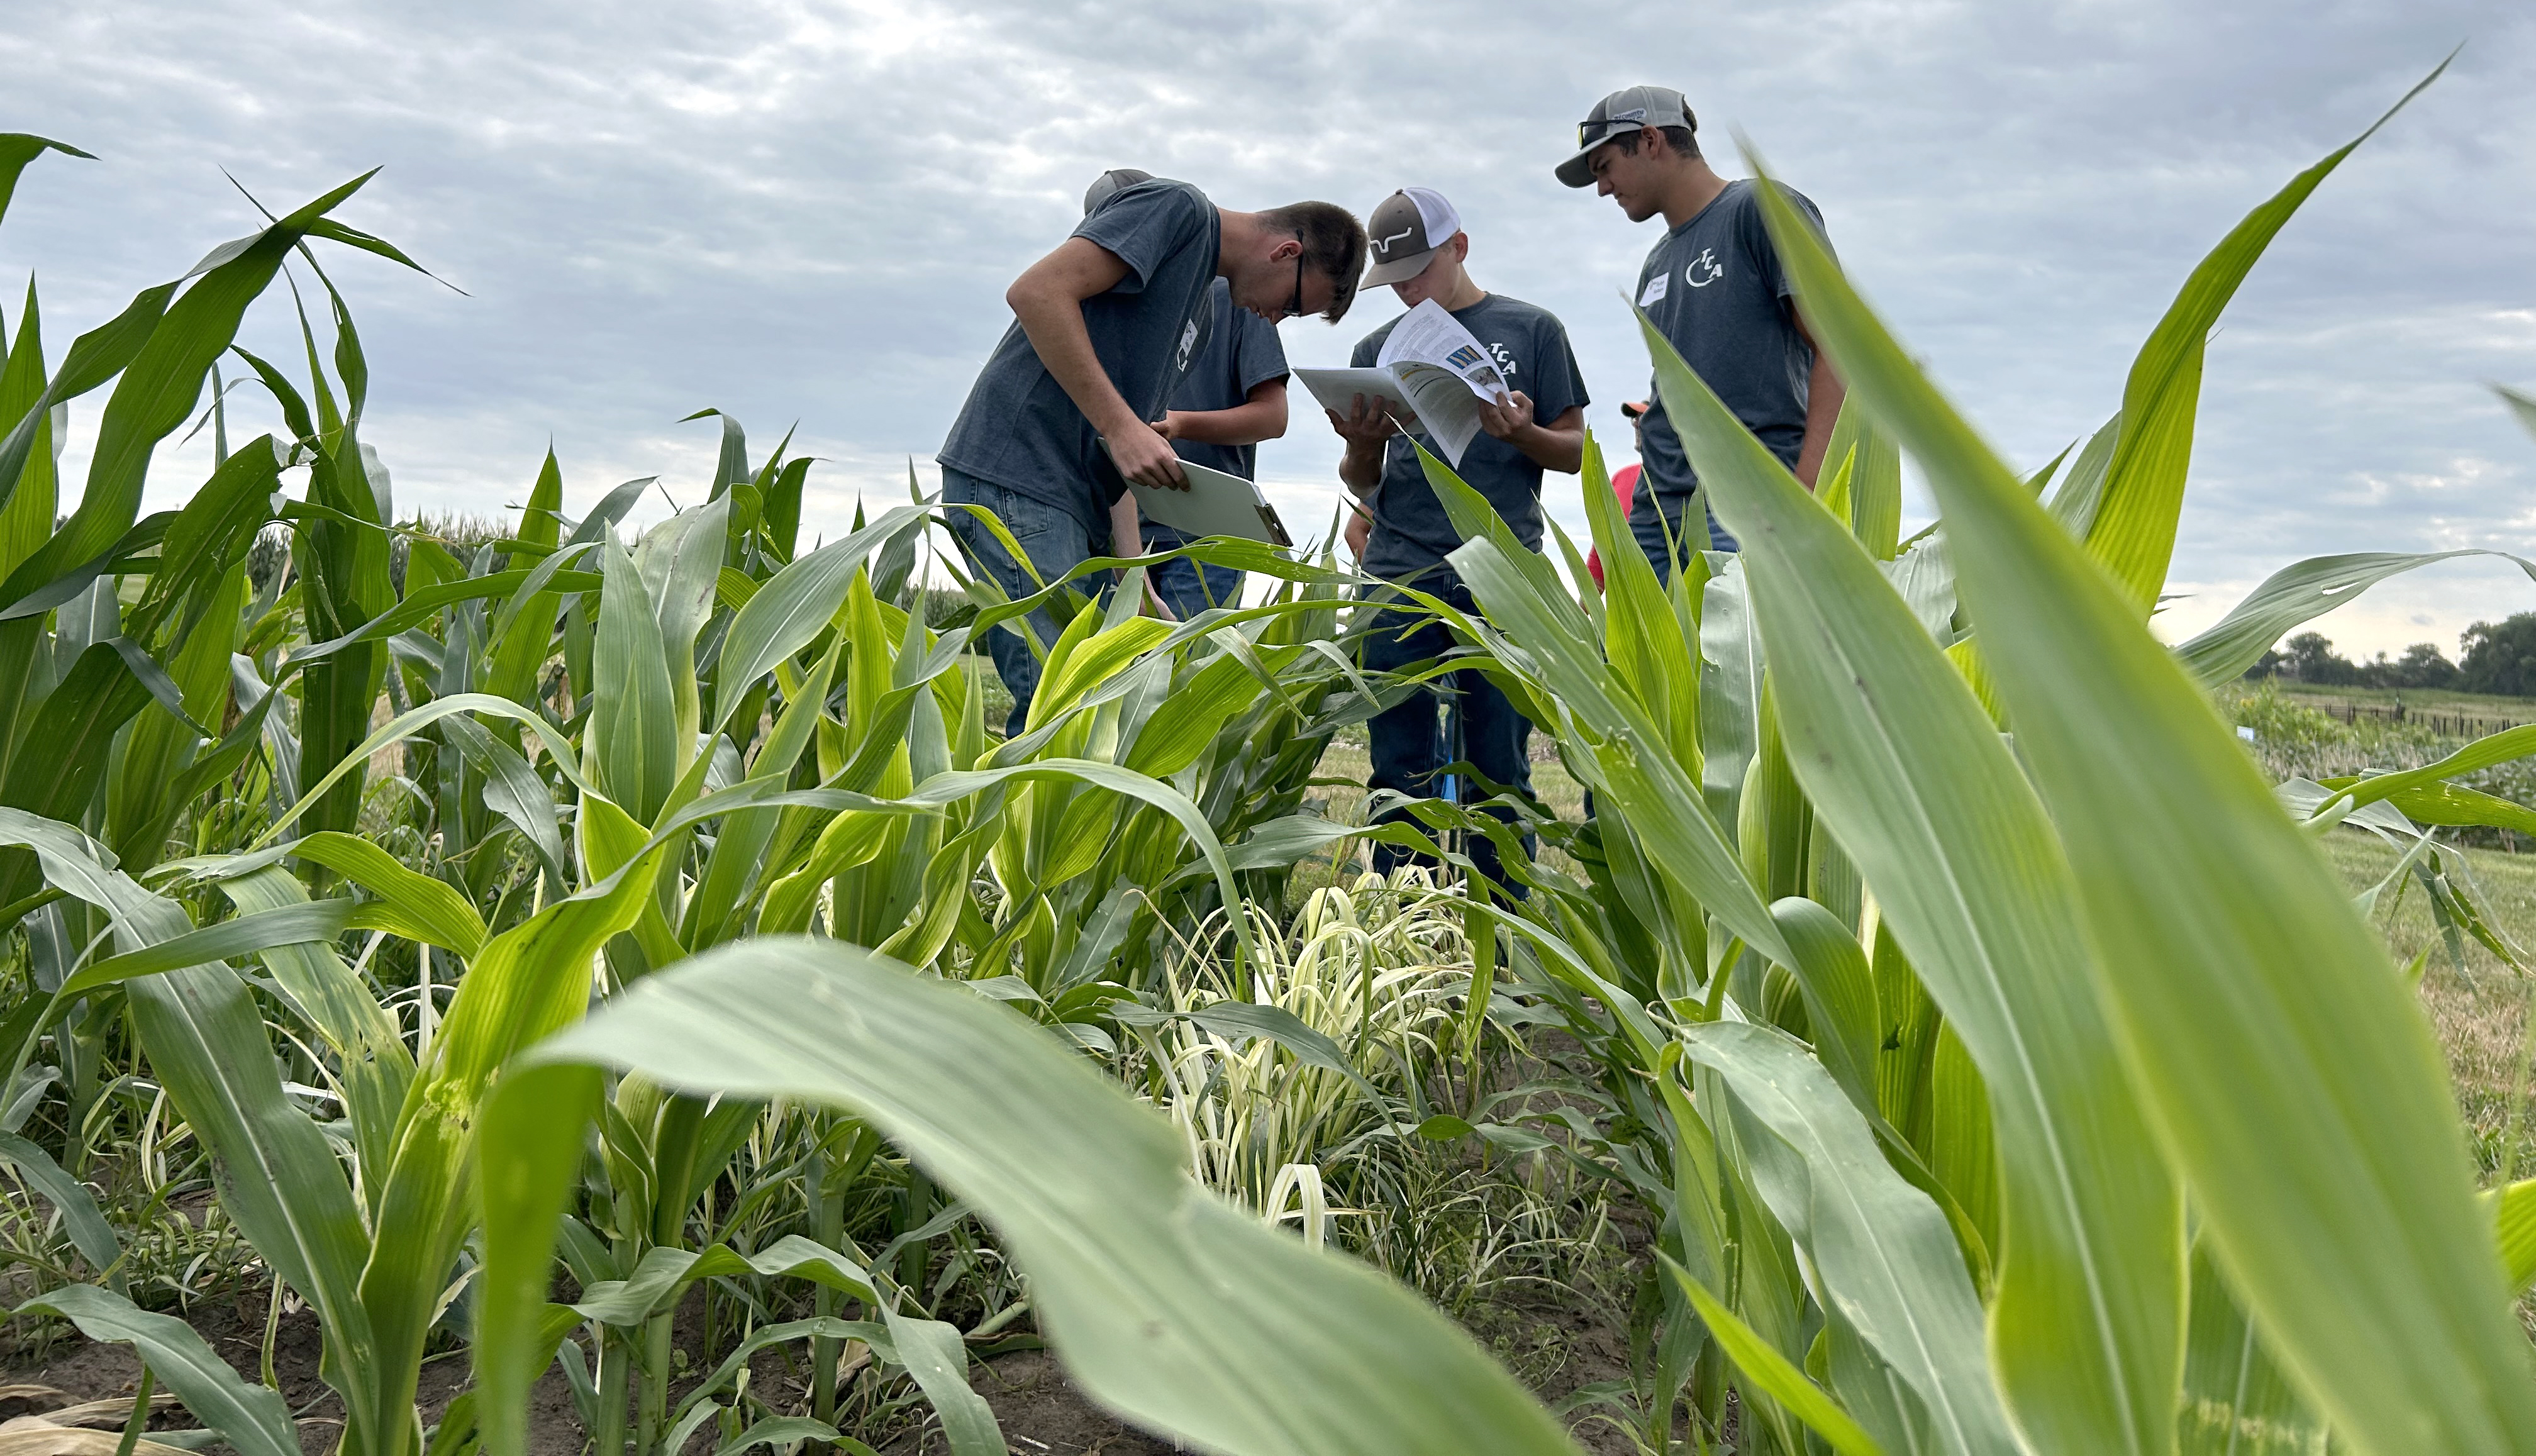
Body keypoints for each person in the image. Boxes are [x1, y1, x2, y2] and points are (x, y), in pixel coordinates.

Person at [938, 172, 1365, 733]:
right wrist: (1119, 426)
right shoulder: (1178, 210)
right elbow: (1036, 292)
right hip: (1020, 477)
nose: (1275, 318)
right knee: (1055, 714)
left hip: (1072, 504)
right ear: (1287, 252)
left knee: (1088, 715)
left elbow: (1128, 453)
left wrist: (1134, 576)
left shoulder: (1203, 315)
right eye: (1291, 304)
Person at [1328, 187, 1587, 890]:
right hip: (1398, 566)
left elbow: (1574, 452)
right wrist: (1360, 443)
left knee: (1499, 768)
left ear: (1459, 248)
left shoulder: (1534, 330)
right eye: (1396, 280)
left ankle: (1501, 942)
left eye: (1419, 271)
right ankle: (1402, 931)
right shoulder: (1374, 349)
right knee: (1396, 766)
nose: (1408, 290)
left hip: (1498, 569)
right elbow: (1363, 476)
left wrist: (1523, 431)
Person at [1557, 84, 1846, 584]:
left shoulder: (1760, 211)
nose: (1603, 188)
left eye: (1604, 167)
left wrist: (1807, 497)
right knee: (1630, 658)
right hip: (1655, 513)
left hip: (1749, 500)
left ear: (1650, 140)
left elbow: (1840, 350)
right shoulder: (1656, 266)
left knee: (1736, 660)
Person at [1077, 171, 1294, 623]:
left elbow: (1273, 416)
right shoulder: (1105, 307)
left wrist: (1176, 424)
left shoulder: (1238, 295)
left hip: (1208, 530)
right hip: (1125, 526)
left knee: (1186, 676)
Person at [1584, 399, 1648, 591]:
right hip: (1626, 613)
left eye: (1644, 417)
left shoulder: (1691, 487)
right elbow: (1600, 555)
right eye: (1635, 418)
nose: (1637, 423)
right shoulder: (1622, 478)